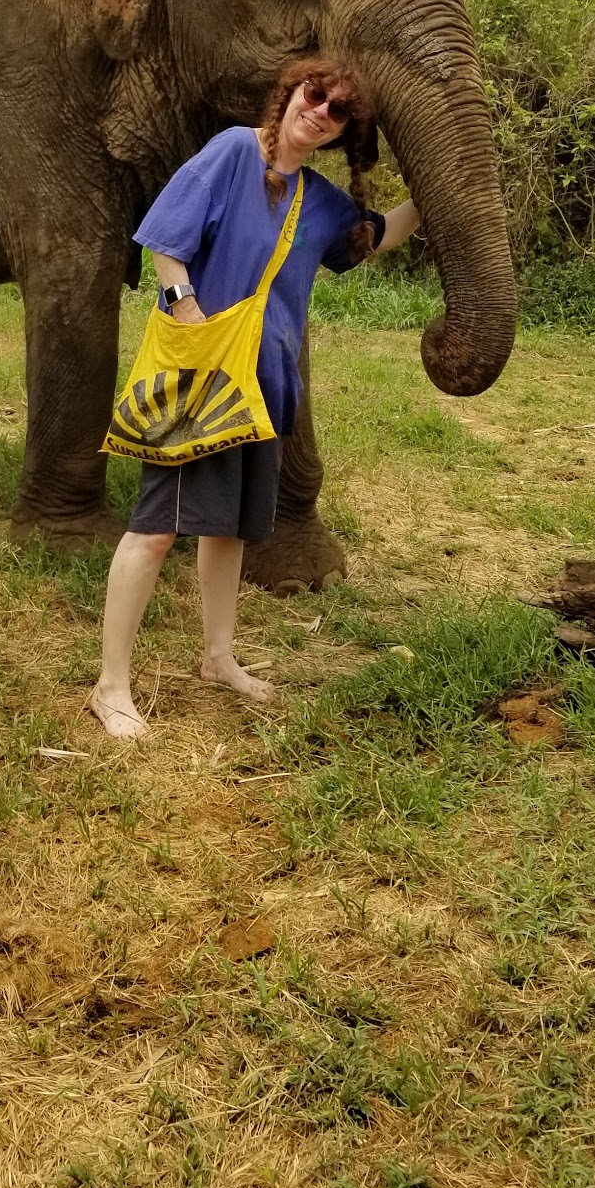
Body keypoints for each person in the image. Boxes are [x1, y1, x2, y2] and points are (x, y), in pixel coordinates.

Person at [90, 55, 421, 739]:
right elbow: (165, 242)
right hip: (208, 383)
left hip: (268, 387)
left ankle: (218, 658)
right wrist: (184, 308)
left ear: (339, 133)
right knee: (155, 530)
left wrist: (434, 192)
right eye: (315, 93)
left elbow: (376, 236)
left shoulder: (320, 201)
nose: (320, 111)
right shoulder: (235, 152)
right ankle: (110, 685)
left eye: (336, 112)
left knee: (229, 530)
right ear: (291, 90)